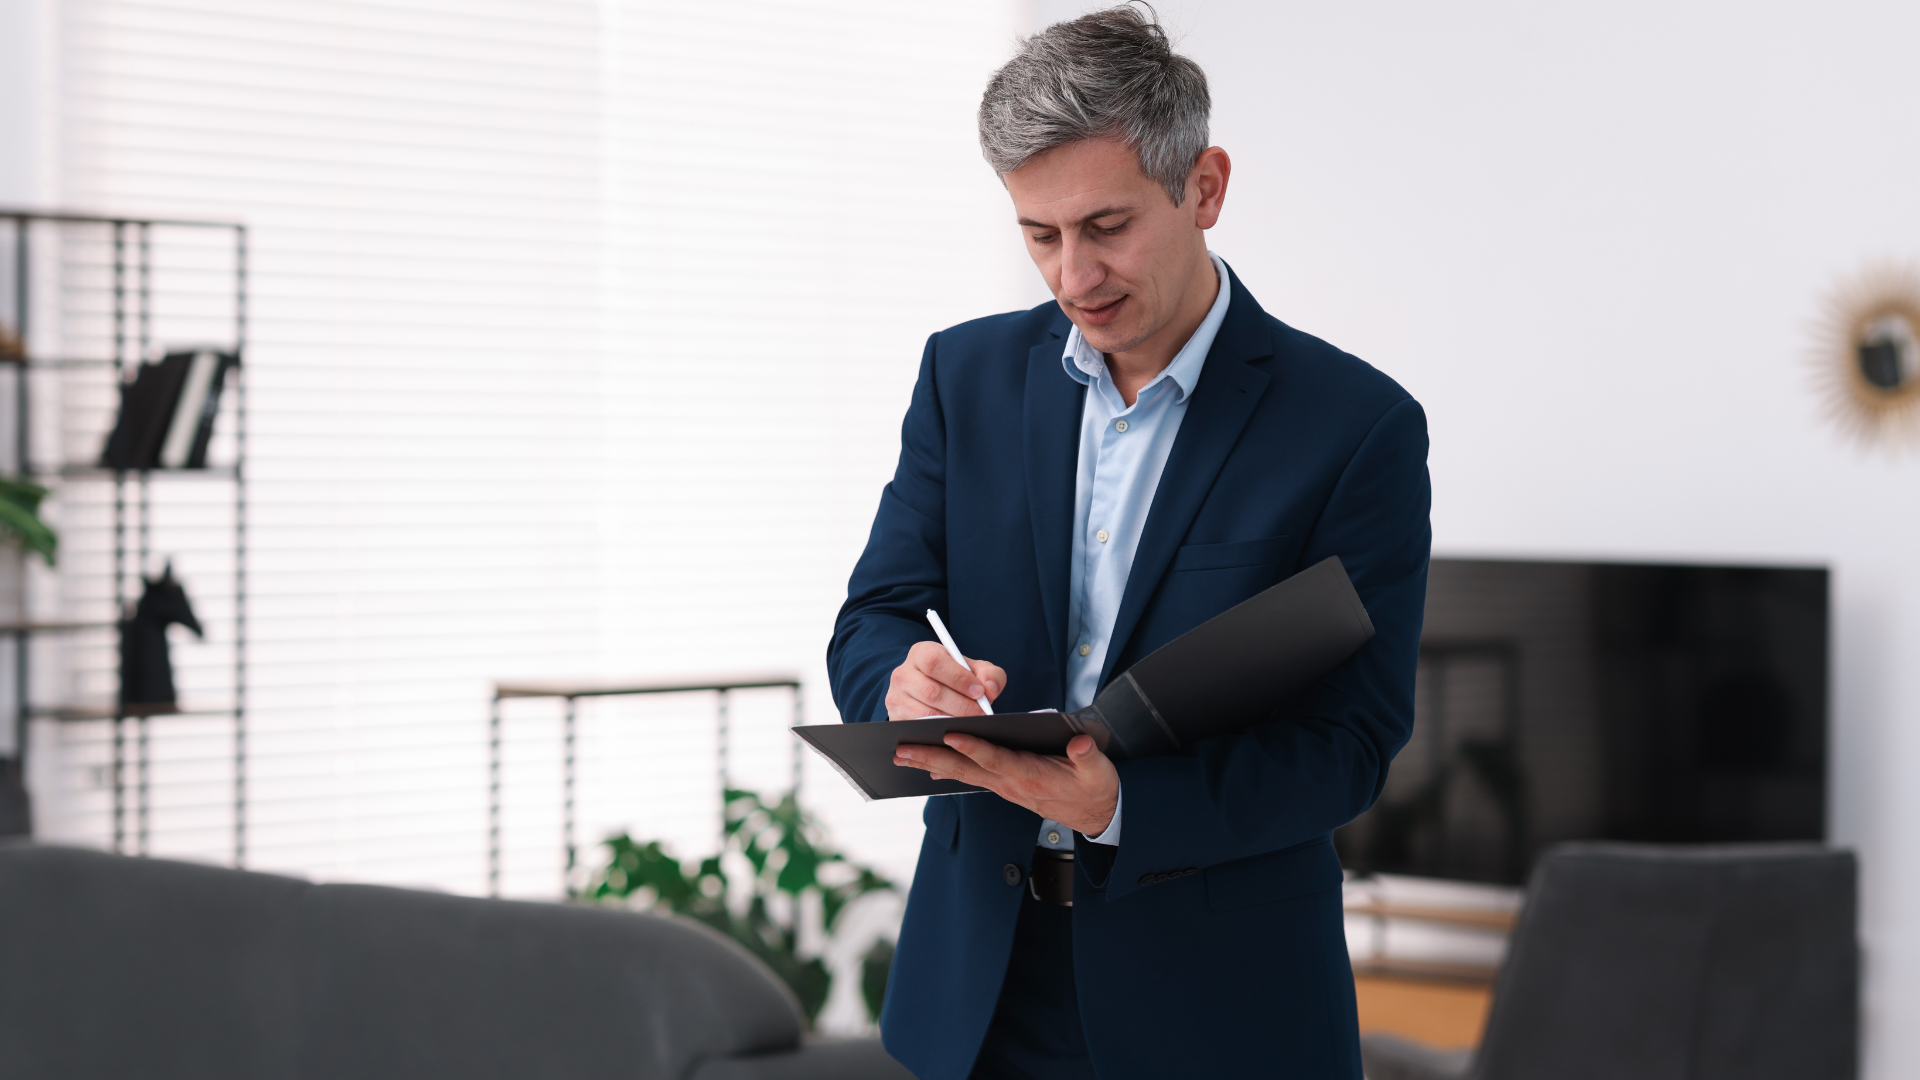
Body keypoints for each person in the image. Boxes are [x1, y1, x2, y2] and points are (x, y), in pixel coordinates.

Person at [827, 8, 1429, 1079]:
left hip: (1223, 1009)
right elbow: (874, 613)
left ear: (1204, 187)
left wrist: (1121, 807)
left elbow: (1351, 745)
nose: (1072, 278)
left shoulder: (1355, 427)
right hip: (980, 993)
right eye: (1038, 234)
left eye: (1106, 227)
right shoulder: (961, 379)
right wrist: (897, 683)